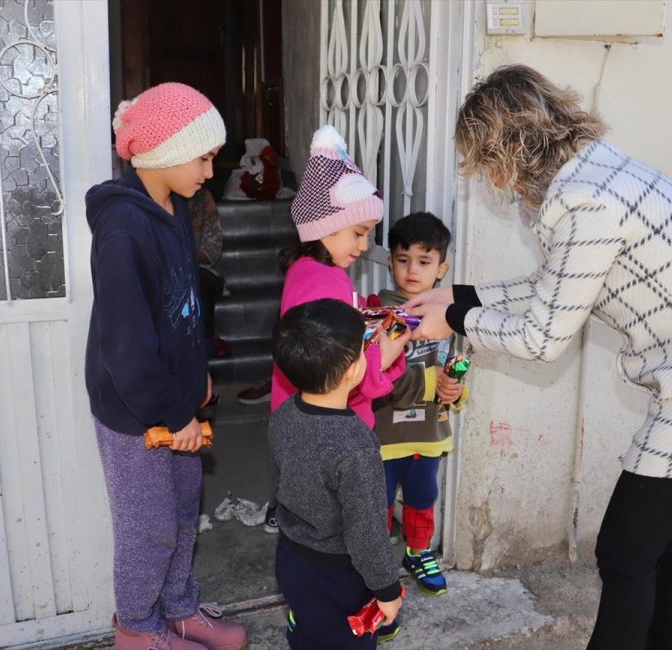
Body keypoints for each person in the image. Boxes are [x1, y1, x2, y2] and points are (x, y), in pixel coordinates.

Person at [404, 64, 672, 650]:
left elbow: (543, 337)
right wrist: (458, 297)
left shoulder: (585, 204)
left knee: (625, 547)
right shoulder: (595, 172)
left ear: (509, 151)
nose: (494, 181)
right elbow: (557, 287)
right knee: (670, 537)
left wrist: (457, 318)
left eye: (487, 163)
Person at [85, 82, 247, 650]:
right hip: (137, 413)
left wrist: (196, 371)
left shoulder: (175, 208)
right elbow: (126, 349)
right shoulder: (123, 229)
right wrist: (169, 411)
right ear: (163, 151)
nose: (210, 171)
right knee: (147, 528)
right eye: (204, 157)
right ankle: (137, 630)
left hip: (176, 399)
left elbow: (185, 304)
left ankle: (179, 610)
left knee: (182, 509)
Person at [266, 123, 410, 639]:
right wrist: (391, 348)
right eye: (358, 232)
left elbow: (321, 344)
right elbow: (368, 532)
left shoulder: (306, 271)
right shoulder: (354, 446)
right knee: (351, 512)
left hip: (303, 424)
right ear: (324, 228)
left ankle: (306, 624)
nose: (364, 243)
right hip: (335, 425)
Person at [269, 298, 404, 649]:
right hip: (337, 575)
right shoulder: (356, 446)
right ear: (353, 371)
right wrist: (387, 588)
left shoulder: (284, 413)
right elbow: (366, 531)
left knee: (308, 631)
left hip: (291, 557)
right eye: (363, 350)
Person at [369, 212, 467, 598]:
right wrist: (430, 383)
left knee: (423, 496)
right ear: (390, 261)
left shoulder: (449, 313)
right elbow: (379, 375)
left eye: (424, 262)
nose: (412, 270)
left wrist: (455, 390)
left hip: (429, 432)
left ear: (441, 268)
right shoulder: (382, 312)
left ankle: (419, 551)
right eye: (403, 259)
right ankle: (375, 568)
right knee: (376, 504)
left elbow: (457, 364)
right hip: (384, 434)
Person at [189, 187, 231, 360]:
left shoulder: (202, 197)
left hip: (200, 269)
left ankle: (205, 339)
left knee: (199, 281)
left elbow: (212, 248)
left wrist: (186, 256)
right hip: (169, 270)